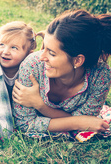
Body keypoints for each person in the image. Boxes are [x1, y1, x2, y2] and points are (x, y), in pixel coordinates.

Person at [12, 9, 111, 138]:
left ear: (78, 60)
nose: (42, 57)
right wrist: (79, 122)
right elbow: (26, 124)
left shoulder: (100, 76)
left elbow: (88, 119)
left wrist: (40, 105)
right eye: (44, 47)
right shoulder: (32, 66)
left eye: (51, 53)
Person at [0, 21, 38, 103]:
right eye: (1, 44)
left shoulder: (30, 71)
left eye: (14, 48)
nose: (6, 51)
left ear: (28, 54)